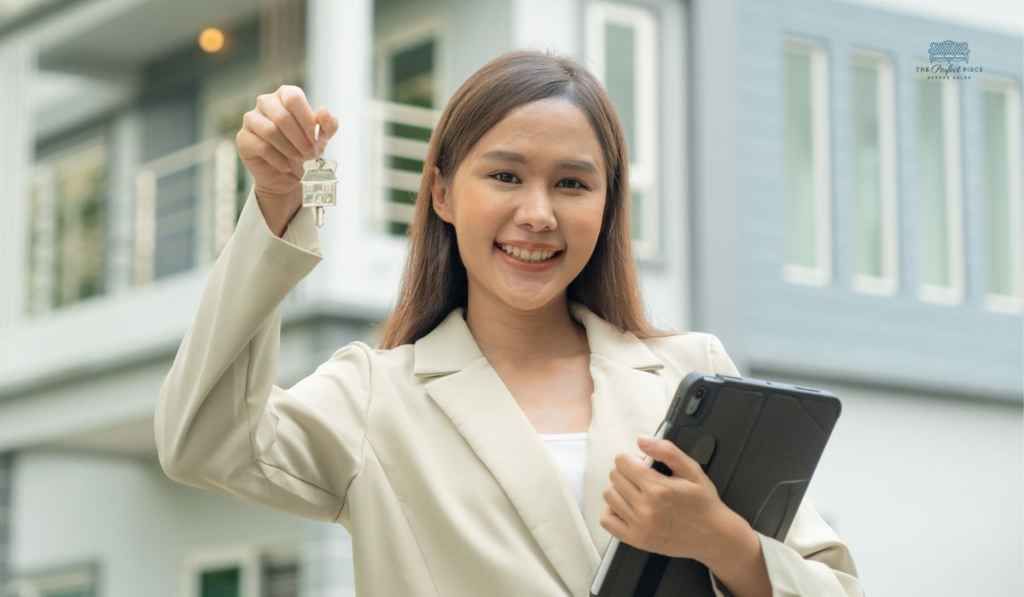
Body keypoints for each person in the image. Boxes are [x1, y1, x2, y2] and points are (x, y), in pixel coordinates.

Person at [155, 50, 862, 597]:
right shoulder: (376, 396)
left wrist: (721, 542)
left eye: (572, 183)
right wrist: (279, 205)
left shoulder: (688, 371)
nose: (538, 214)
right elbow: (201, 441)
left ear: (608, 204)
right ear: (441, 192)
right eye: (504, 176)